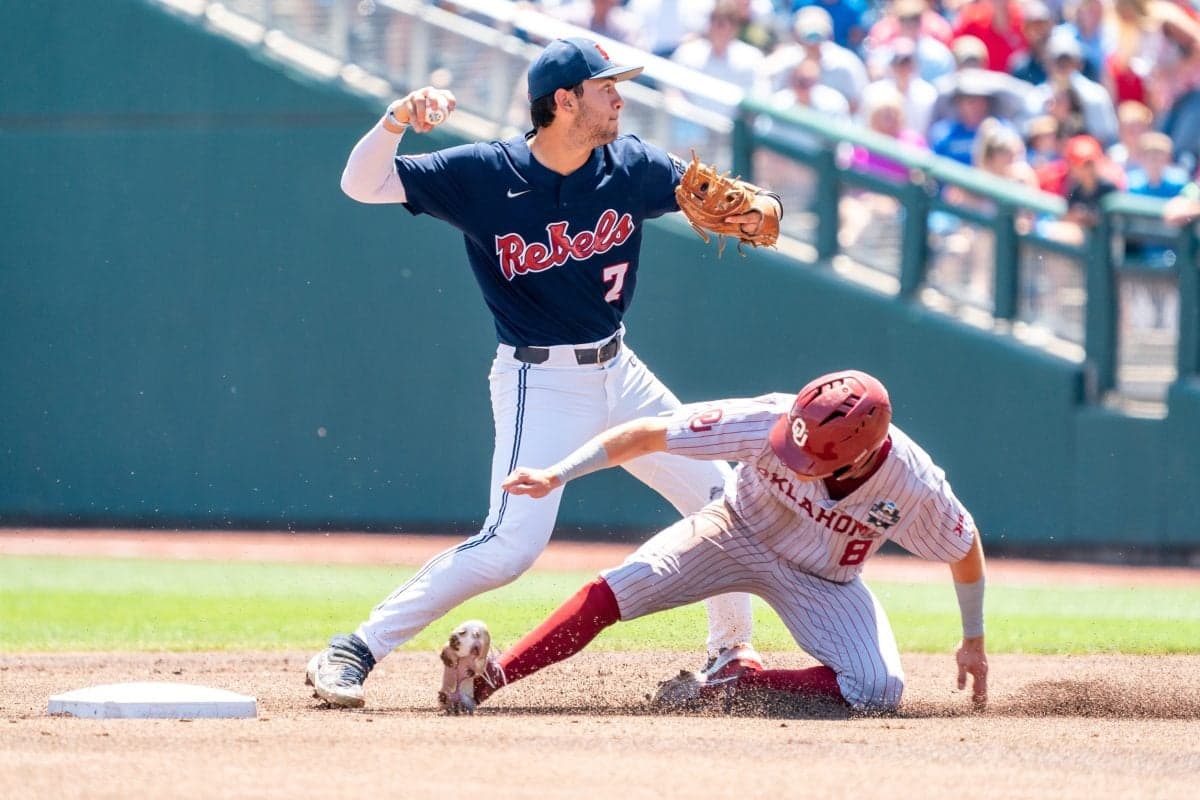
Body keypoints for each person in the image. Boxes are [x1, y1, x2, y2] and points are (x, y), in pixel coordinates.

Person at [306, 36, 782, 709]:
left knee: (722, 501)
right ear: (563, 101)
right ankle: (353, 650)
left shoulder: (633, 165)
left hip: (623, 372)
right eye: (605, 87)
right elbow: (361, 183)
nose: (619, 97)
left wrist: (764, 209)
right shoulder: (483, 174)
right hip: (541, 380)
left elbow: (752, 205)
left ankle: (730, 653)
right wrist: (395, 120)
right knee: (508, 547)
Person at [437, 369, 989, 715]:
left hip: (822, 579)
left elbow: (963, 549)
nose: (797, 457)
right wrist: (559, 474)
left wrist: (973, 640)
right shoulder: (771, 417)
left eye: (816, 455)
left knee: (879, 691)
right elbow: (649, 432)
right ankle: (483, 684)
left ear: (865, 452)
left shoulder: (914, 486)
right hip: (733, 531)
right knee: (617, 591)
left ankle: (733, 685)